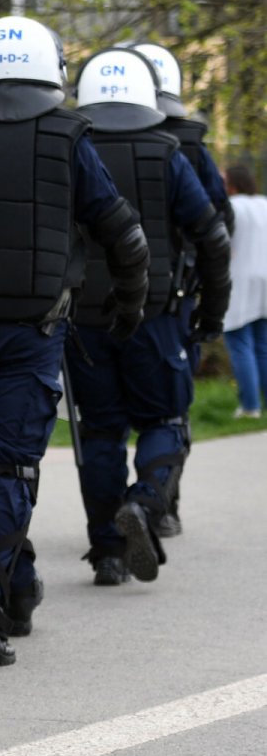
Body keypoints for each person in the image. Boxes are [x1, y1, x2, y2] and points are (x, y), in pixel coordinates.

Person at [0, 15, 150, 663]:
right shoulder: (66, 134)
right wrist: (127, 311)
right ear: (51, 67)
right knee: (11, 465)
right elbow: (124, 236)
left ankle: (15, 584)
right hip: (33, 331)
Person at [66, 48, 228, 585]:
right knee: (164, 422)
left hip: (86, 318)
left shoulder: (70, 148)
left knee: (102, 433)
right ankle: (146, 500)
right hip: (156, 313)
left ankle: (109, 553)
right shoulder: (166, 152)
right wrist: (212, 311)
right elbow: (211, 233)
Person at [123, 42, 233, 537]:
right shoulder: (188, 143)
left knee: (105, 423)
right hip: (175, 295)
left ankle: (112, 535)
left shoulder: (93, 135)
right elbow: (218, 221)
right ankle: (162, 505)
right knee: (170, 408)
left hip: (105, 300)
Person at [222, 166, 267, 416]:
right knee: (263, 345)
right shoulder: (264, 203)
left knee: (240, 344)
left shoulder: (231, 207)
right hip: (265, 279)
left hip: (239, 280)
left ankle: (250, 406)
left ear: (233, 184)